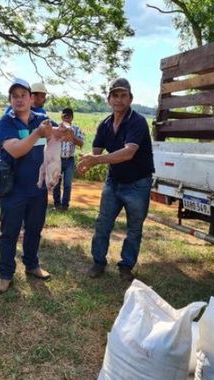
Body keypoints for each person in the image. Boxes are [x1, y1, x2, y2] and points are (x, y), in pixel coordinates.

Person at [77, 78, 154, 282]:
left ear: (130, 99)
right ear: (109, 99)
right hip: (114, 182)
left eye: (123, 96)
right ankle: (98, 262)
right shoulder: (105, 124)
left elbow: (128, 153)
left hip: (138, 183)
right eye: (115, 96)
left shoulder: (137, 122)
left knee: (134, 228)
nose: (119, 100)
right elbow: (94, 152)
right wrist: (83, 157)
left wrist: (95, 160)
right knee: (102, 224)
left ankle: (126, 265)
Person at [0, 78, 55, 293]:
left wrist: (68, 134)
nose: (19, 100)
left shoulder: (43, 119)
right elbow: (17, 149)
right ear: (10, 99)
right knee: (9, 233)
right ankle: (6, 274)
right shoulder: (5, 123)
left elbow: (55, 137)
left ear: (31, 98)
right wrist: (38, 133)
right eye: (14, 96)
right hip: (13, 189)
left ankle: (32, 264)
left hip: (37, 188)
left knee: (34, 230)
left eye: (23, 95)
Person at [53, 107, 84, 210]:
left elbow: (81, 144)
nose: (66, 119)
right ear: (61, 117)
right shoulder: (56, 128)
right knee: (56, 183)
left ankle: (64, 206)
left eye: (68, 117)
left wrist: (73, 137)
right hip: (57, 159)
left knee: (67, 184)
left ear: (72, 118)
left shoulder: (76, 129)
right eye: (64, 116)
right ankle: (57, 204)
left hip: (69, 160)